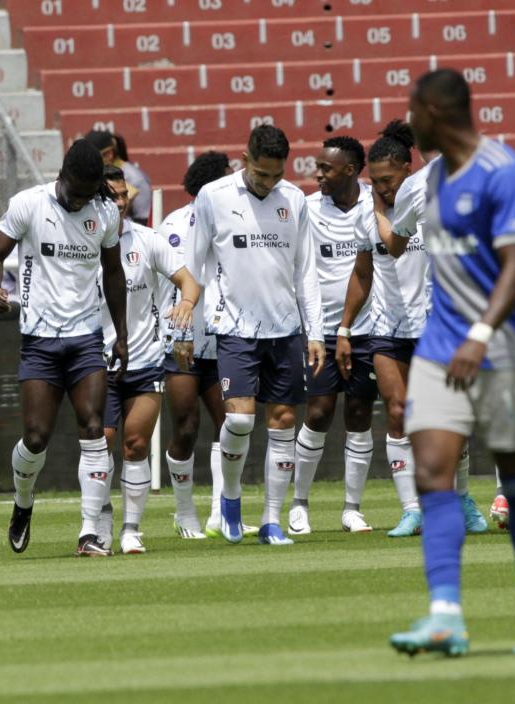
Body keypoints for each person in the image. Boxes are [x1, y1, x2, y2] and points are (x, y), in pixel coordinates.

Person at [388, 69, 515, 658]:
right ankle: (445, 615)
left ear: (433, 110)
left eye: (412, 111)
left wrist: (482, 333)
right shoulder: (427, 182)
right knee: (432, 472)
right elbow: (396, 240)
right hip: (439, 346)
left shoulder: (502, 171)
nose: (408, 122)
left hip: (504, 349)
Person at [344, 119, 493, 538]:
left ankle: (461, 496)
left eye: (388, 180)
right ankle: (412, 509)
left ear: (406, 174)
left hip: (438, 325)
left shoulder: (434, 205)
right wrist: (342, 327)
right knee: (397, 412)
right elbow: (362, 273)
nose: (381, 188)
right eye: (375, 181)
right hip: (388, 327)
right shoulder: (363, 217)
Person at [0, 139, 128, 556]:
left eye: (88, 193)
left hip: (85, 338)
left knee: (93, 427)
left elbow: (114, 275)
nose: (80, 201)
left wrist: (122, 335)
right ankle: (23, 503)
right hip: (40, 339)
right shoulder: (29, 204)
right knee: (36, 436)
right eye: (75, 192)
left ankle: (89, 533)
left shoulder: (103, 213)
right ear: (61, 178)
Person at [187, 124, 326, 546]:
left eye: (276, 175)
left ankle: (270, 521)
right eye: (261, 174)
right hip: (234, 327)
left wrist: (315, 333)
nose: (268, 183)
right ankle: (229, 500)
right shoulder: (213, 197)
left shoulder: (295, 201)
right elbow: (194, 266)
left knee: (283, 424)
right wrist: (185, 329)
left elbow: (306, 272)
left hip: (284, 329)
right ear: (244, 160)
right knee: (241, 419)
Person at [85, 165, 200, 556]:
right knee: (101, 444)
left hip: (145, 358)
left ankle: (131, 530)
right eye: (111, 196)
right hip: (94, 361)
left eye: (123, 196)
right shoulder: (80, 243)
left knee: (135, 443)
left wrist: (186, 303)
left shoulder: (147, 240)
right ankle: (99, 522)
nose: (119, 203)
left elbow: (189, 281)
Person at [157, 151, 260, 539]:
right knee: (185, 427)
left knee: (232, 426)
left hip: (226, 339)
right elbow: (178, 283)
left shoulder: (239, 216)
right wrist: (180, 333)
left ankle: (222, 511)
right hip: (183, 340)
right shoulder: (175, 224)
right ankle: (185, 514)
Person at [287, 136, 379, 535]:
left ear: (351, 170)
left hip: (369, 329)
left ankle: (351, 508)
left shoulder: (377, 205)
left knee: (359, 415)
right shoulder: (307, 209)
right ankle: (300, 504)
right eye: (318, 166)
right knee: (319, 413)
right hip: (320, 333)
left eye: (326, 168)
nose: (318, 173)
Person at [84, 130, 152, 225]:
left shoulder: (136, 180)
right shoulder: (95, 174)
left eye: (91, 158)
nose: (88, 163)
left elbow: (144, 223)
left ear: (108, 155)